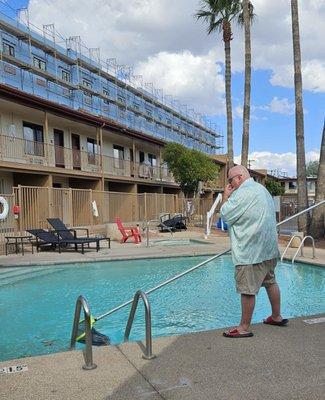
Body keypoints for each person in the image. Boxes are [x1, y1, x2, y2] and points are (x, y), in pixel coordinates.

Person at [220, 165, 288, 338]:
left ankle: (243, 327)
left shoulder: (242, 193)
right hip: (269, 249)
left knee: (247, 290)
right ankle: (276, 316)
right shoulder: (262, 190)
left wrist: (225, 196)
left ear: (239, 177)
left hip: (251, 252)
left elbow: (226, 216)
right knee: (271, 282)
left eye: (230, 180)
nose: (230, 184)